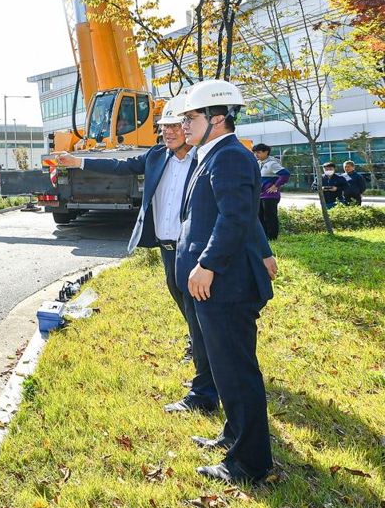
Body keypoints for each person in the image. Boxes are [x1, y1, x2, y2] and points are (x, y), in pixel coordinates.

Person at [176, 79, 275, 485]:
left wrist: (208, 263)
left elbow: (234, 218)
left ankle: (249, 464)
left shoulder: (230, 156)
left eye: (191, 117)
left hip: (226, 284)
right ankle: (234, 436)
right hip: (218, 283)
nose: (184, 124)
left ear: (217, 119)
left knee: (236, 371)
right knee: (225, 368)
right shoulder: (214, 154)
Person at [57, 94, 197, 361]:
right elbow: (120, 166)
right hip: (167, 245)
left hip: (191, 244)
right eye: (164, 126)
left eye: (175, 126)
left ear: (189, 127)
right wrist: (79, 162)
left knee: (195, 299)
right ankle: (197, 338)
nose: (168, 132)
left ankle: (201, 348)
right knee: (178, 293)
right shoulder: (156, 156)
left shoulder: (201, 160)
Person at [252, 143, 290, 240]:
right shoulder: (258, 163)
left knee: (270, 216)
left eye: (259, 152)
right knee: (260, 216)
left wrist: (275, 185)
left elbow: (285, 174)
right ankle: (264, 237)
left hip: (270, 196)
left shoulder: (272, 164)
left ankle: (272, 237)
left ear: (266, 152)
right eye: (255, 153)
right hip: (260, 195)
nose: (256, 155)